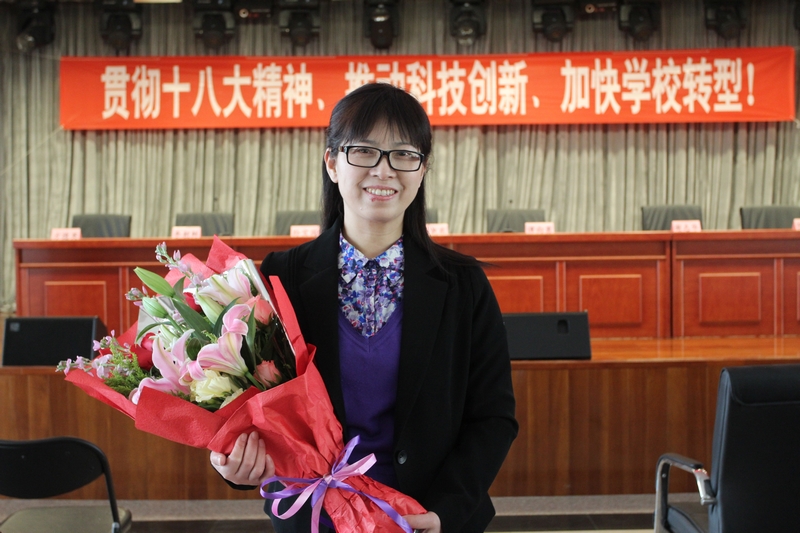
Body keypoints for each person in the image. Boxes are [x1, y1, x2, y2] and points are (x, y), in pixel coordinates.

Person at [210, 82, 518, 533]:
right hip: (315, 519)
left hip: (421, 518)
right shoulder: (281, 277)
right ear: (332, 163)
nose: (384, 169)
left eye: (403, 154)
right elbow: (250, 404)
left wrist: (444, 512)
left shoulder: (463, 284)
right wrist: (233, 460)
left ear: (423, 168)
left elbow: (493, 416)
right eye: (365, 151)